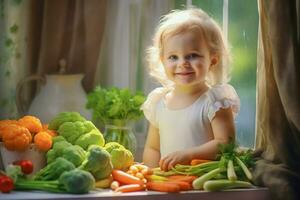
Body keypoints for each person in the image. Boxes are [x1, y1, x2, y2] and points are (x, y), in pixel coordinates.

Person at [141, 8, 240, 171]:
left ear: (213, 60)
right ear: (162, 61)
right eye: (173, 57)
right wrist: (151, 175)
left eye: (193, 55)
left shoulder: (215, 101)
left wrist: (189, 155)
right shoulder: (159, 102)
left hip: (202, 186)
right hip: (169, 185)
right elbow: (153, 148)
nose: (183, 63)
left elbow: (225, 143)